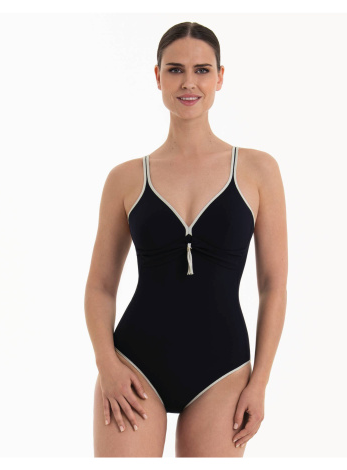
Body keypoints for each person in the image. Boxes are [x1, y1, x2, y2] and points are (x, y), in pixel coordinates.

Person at [84, 21, 288, 457]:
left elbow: (273, 286)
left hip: (224, 372)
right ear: (158, 77)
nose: (188, 82)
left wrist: (260, 382)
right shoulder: (125, 178)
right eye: (175, 70)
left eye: (202, 70)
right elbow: (100, 286)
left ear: (220, 77)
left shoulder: (258, 170)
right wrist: (107, 364)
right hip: (133, 366)